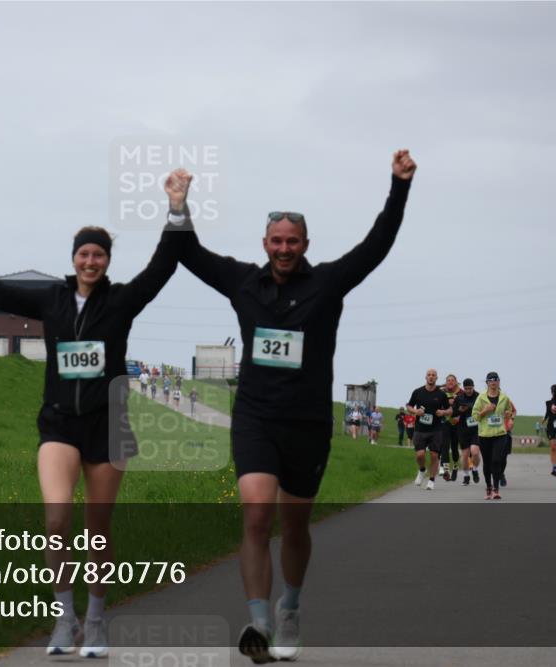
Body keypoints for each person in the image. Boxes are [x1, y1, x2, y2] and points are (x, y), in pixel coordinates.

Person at [0, 169, 191, 658]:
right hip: (59, 421)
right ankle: (65, 618)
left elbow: (164, 265)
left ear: (107, 261)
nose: (91, 261)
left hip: (109, 424)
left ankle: (96, 621)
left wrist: (177, 208)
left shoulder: (122, 302)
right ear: (74, 258)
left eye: (99, 254)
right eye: (84, 253)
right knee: (57, 519)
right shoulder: (50, 299)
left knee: (97, 527)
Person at [174, 150, 416, 662]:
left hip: (306, 424)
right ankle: (258, 621)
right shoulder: (243, 282)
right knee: (257, 514)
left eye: (293, 241)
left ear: (305, 245)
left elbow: (377, 245)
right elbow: (190, 254)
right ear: (265, 244)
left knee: (295, 526)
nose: (284, 248)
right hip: (256, 419)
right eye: (277, 241)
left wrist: (398, 187)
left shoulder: (327, 283)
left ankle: (291, 607)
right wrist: (178, 206)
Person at [471, 372, 516, 500]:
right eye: (490, 380)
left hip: (500, 434)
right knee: (487, 462)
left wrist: (509, 415)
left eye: (495, 380)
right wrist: (485, 410)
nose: (493, 382)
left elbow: (510, 410)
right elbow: (475, 416)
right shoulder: (481, 398)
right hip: (485, 435)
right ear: (487, 383)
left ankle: (496, 489)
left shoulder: (504, 397)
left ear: (499, 382)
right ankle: (488, 488)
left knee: (497, 460)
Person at [406, 368, 452, 491]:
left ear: (436, 378)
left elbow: (450, 410)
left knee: (433, 455)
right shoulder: (418, 392)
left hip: (436, 430)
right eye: (429, 375)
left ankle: (431, 480)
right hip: (420, 429)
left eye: (433, 375)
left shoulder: (441, 394)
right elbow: (409, 406)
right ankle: (422, 470)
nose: (431, 377)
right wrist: (416, 411)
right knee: (420, 455)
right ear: (425, 377)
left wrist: (443, 412)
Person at [452, 378, 481, 485]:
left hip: (476, 429)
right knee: (464, 455)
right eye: (466, 388)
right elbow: (452, 413)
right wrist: (459, 410)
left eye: (470, 388)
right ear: (463, 388)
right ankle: (466, 476)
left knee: (475, 452)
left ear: (473, 387)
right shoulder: (459, 398)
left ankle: (475, 469)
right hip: (463, 429)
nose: (469, 390)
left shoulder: (479, 397)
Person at [440, 374, 462, 481]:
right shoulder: (442, 392)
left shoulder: (461, 392)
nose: (450, 382)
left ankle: (456, 468)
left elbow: (467, 407)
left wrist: (459, 416)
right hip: (445, 423)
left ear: (456, 382)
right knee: (445, 447)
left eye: (452, 380)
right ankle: (446, 471)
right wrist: (447, 402)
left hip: (457, 424)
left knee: (454, 449)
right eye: (448, 380)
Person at [542, 398, 556, 476]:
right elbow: (547, 412)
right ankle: (554, 466)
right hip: (551, 426)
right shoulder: (548, 403)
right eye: (552, 392)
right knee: (553, 447)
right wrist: (544, 419)